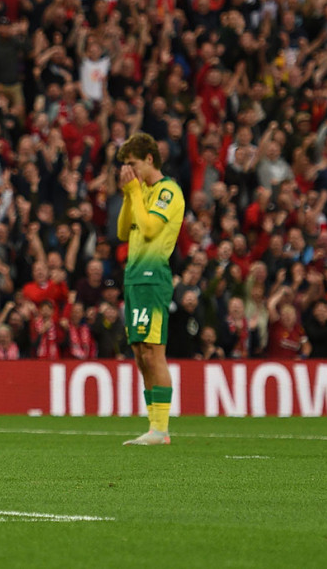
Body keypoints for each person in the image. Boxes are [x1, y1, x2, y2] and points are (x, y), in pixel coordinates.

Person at [116, 132, 185, 446]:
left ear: (148, 159)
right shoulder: (141, 193)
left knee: (154, 352)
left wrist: (135, 192)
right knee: (140, 352)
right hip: (133, 276)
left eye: (132, 164)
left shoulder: (168, 192)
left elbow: (150, 228)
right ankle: (153, 426)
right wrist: (130, 195)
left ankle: (161, 430)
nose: (130, 171)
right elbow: (122, 231)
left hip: (153, 275)